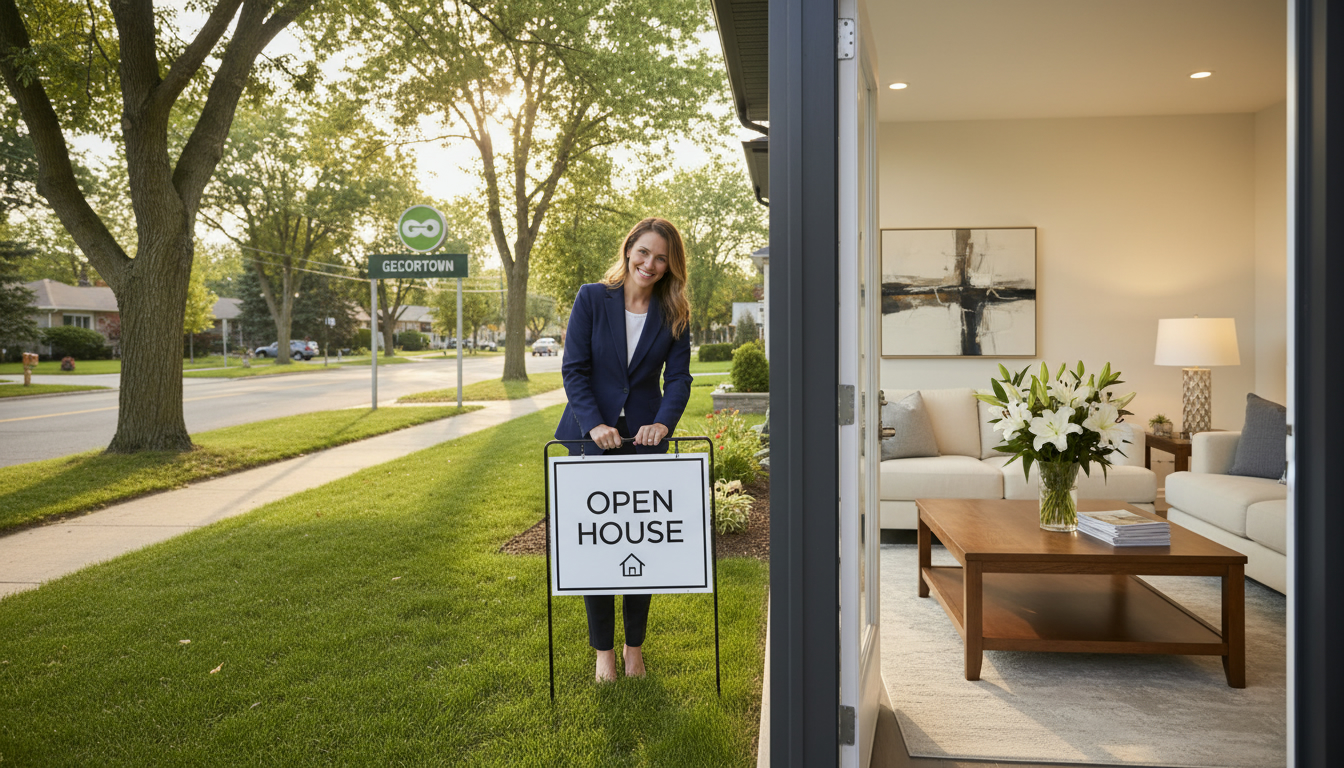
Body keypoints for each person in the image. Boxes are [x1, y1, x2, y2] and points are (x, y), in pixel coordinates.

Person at [554, 217, 694, 682]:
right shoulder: (593, 298)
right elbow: (574, 369)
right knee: (597, 547)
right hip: (587, 434)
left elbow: (677, 379)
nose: (650, 264)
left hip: (643, 438)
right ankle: (604, 654)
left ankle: (635, 649)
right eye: (644, 253)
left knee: (641, 544)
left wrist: (662, 423)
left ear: (670, 266)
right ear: (629, 248)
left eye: (661, 258)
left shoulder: (675, 313)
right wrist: (593, 423)